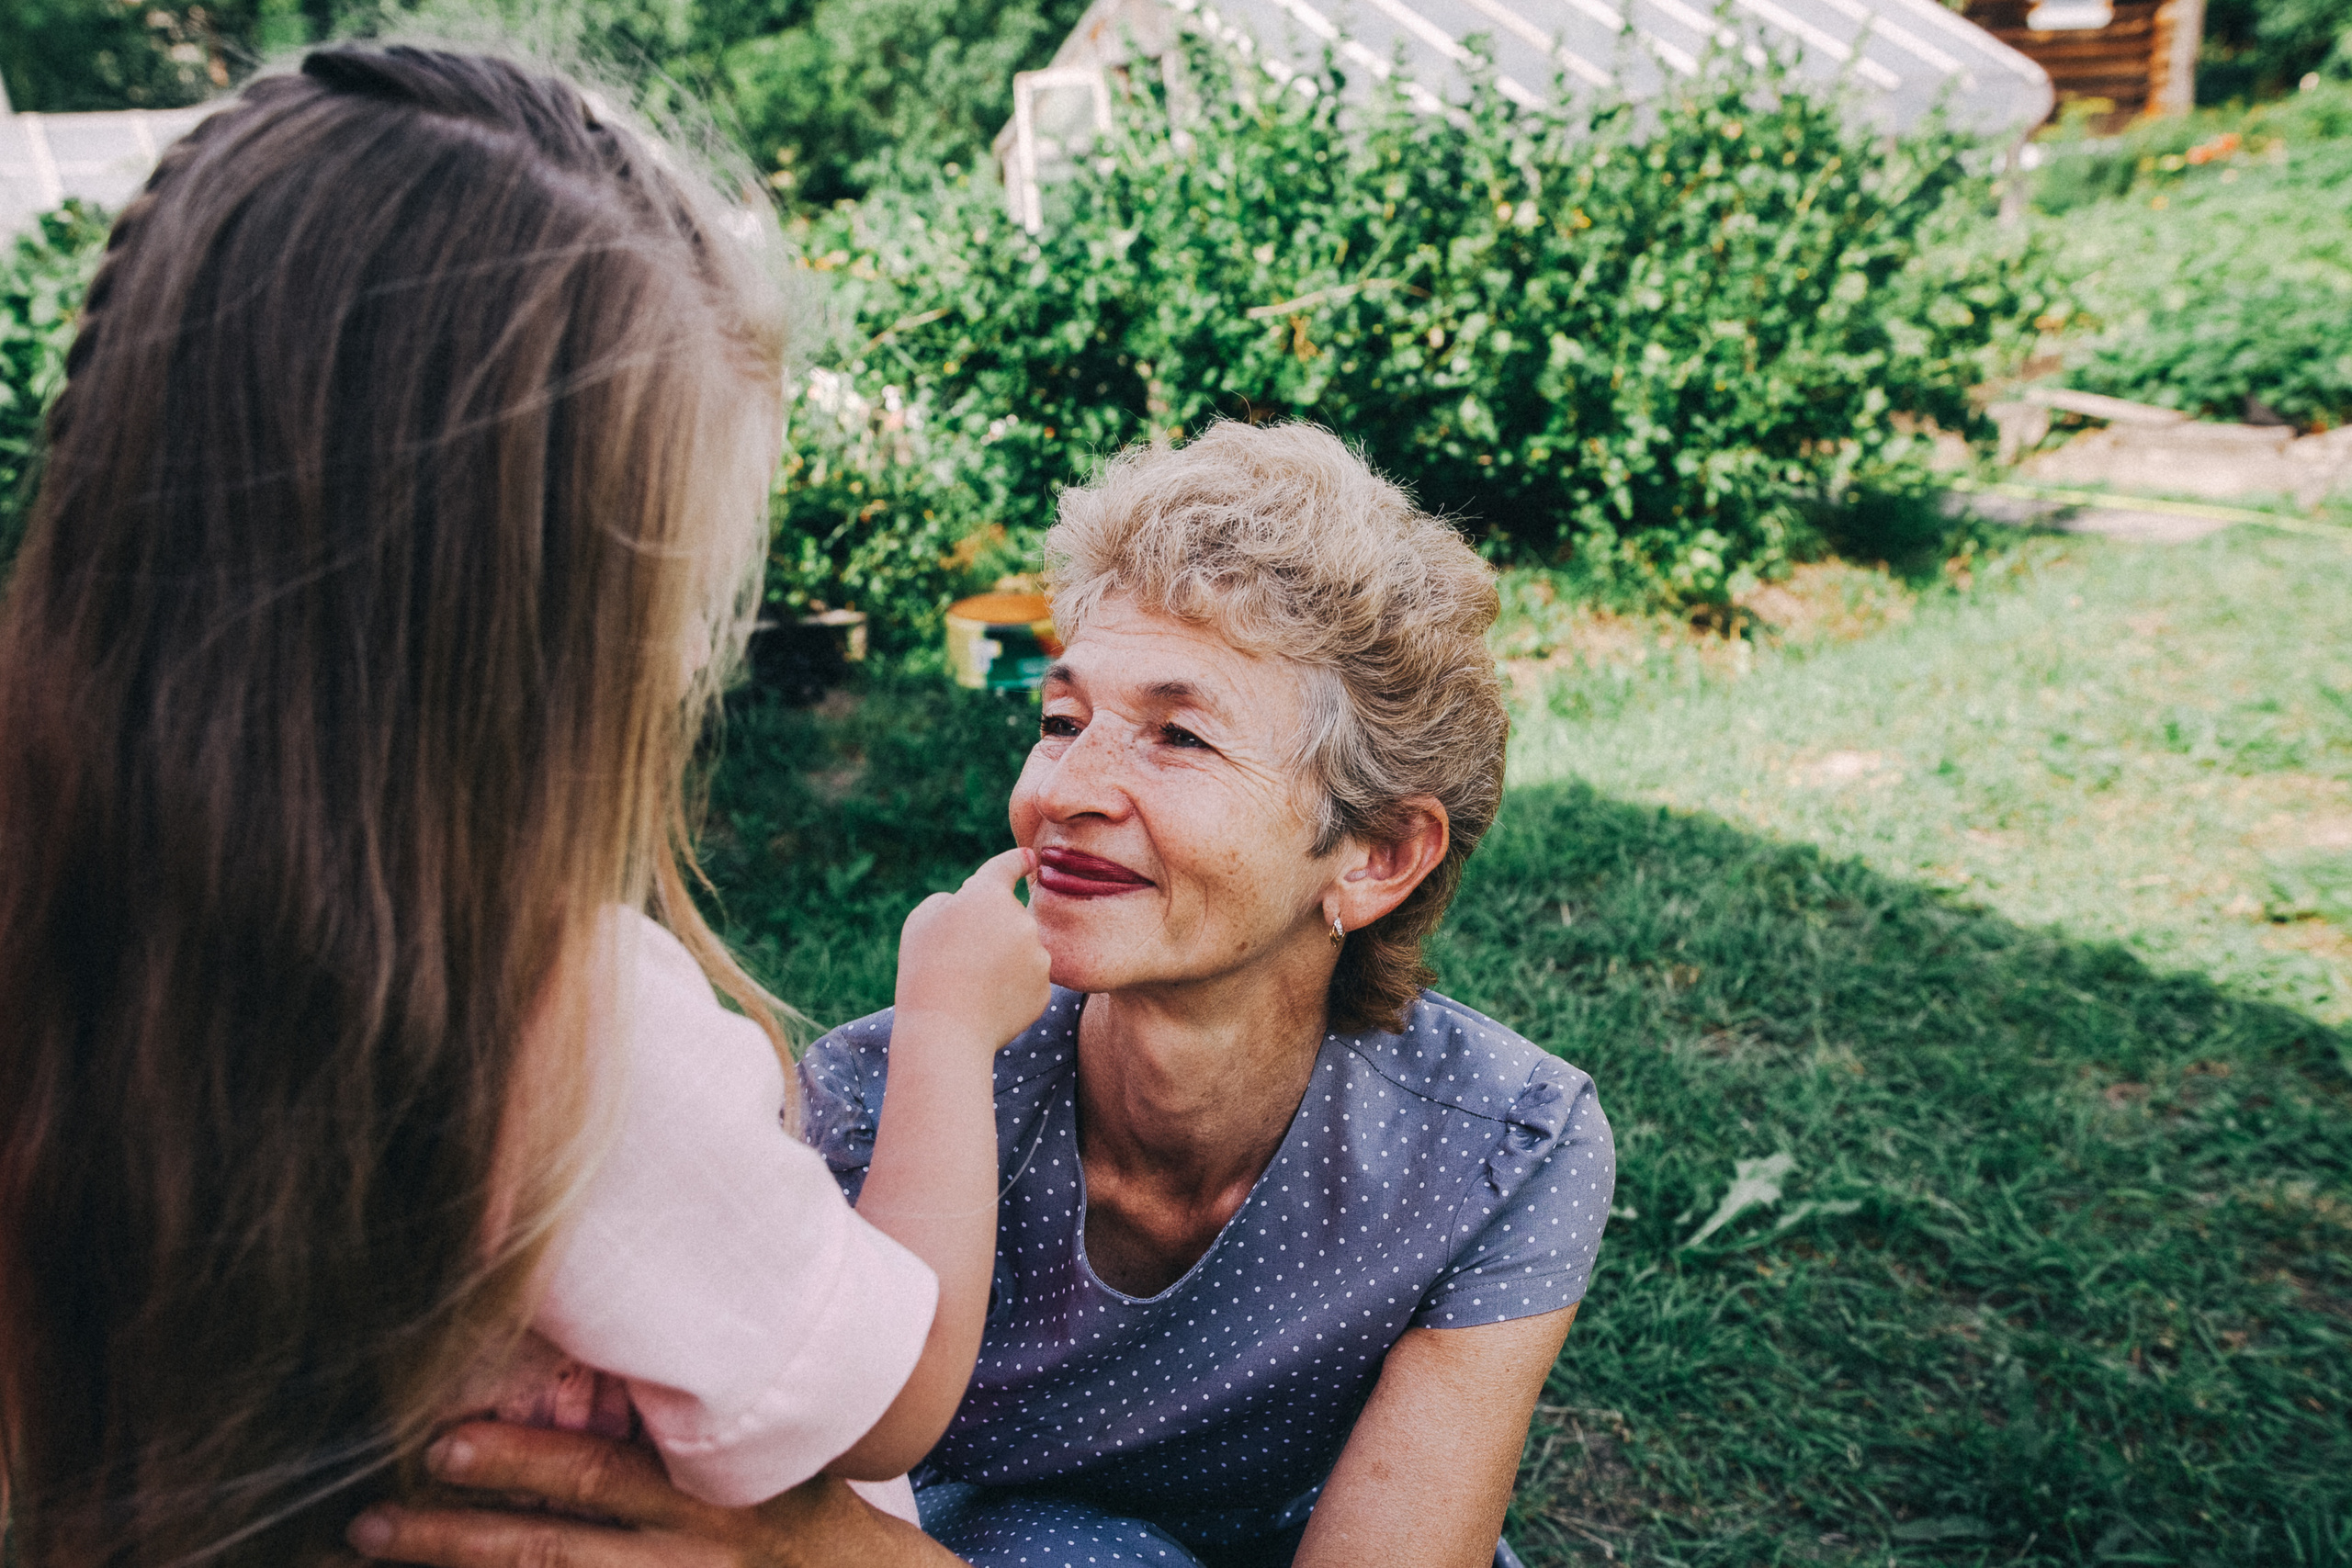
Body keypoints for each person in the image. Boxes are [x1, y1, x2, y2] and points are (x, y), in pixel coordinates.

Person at [0, 46, 1044, 1568]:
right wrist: (949, 1031)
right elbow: (887, 1407)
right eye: (679, 593)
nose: (695, 658)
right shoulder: (557, 1026)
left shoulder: (68, 933)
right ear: (531, 633)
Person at [352, 422, 1614, 1568]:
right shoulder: (876, 1114)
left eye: (1179, 736)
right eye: (1064, 719)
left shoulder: (1502, 1153)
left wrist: (810, 1552)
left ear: (1377, 857)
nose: (1067, 788)